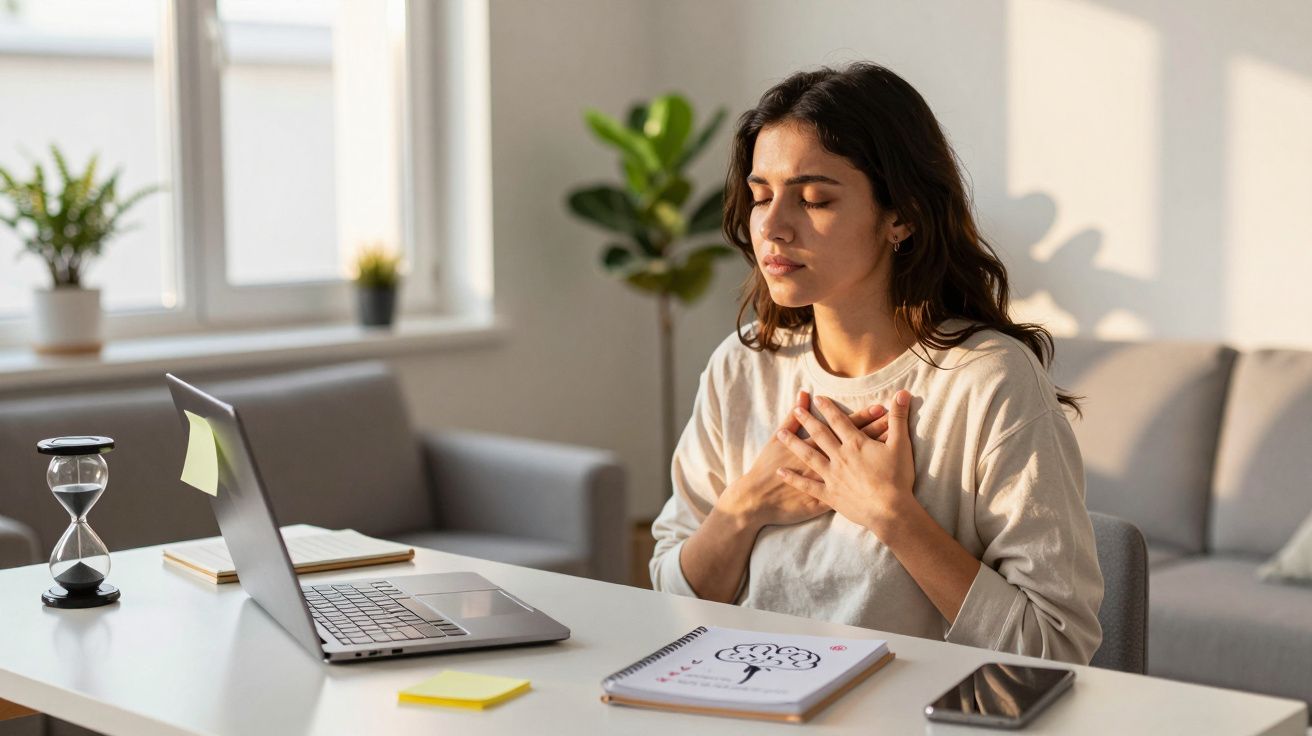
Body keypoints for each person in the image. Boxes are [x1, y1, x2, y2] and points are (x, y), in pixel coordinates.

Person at [649, 61, 1104, 665]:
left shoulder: (988, 383)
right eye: (760, 197)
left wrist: (892, 516)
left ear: (901, 216)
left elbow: (1055, 645)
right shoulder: (742, 366)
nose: (773, 227)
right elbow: (671, 598)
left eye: (814, 199)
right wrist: (746, 505)